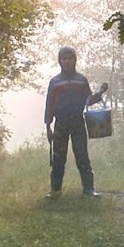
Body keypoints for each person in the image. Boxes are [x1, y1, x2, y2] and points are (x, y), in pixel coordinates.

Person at [44, 46, 106, 198]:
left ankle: (89, 189)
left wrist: (100, 93)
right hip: (60, 123)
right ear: (60, 61)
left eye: (69, 58)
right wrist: (48, 126)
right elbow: (49, 104)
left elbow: (88, 100)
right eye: (64, 58)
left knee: (82, 155)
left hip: (78, 122)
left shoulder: (81, 80)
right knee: (58, 157)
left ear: (74, 60)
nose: (67, 61)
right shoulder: (55, 81)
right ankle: (55, 191)